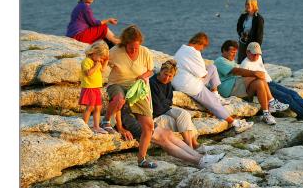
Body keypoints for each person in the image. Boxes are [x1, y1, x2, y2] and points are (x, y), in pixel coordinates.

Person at [171, 32, 254, 133]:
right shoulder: (194, 53)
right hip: (190, 85)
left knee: (212, 67)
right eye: (203, 47)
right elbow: (202, 74)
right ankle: (235, 123)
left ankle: (215, 94)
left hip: (178, 83)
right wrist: (205, 74)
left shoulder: (182, 49)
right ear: (201, 44)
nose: (202, 49)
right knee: (213, 103)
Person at [102, 25, 158, 168]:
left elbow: (151, 70)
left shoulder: (145, 52)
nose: (134, 50)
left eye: (136, 48)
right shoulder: (114, 52)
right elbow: (101, 63)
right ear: (125, 43)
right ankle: (106, 121)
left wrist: (142, 77)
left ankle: (142, 159)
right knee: (119, 99)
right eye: (131, 47)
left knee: (149, 125)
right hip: (117, 85)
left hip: (136, 88)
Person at [240, 42, 303, 123]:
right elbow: (248, 83)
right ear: (247, 52)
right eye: (254, 54)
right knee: (286, 97)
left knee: (293, 93)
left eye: (258, 53)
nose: (256, 56)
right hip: (263, 86)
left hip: (270, 82)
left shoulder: (258, 58)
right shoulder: (245, 64)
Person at [117, 104, 226, 169]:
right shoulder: (118, 87)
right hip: (131, 122)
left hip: (140, 117)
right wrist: (121, 128)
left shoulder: (136, 82)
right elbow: (115, 110)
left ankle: (200, 157)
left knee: (168, 133)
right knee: (164, 140)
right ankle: (199, 161)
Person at [214, 40, 289, 125]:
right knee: (257, 76)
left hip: (237, 85)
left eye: (235, 52)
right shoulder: (220, 61)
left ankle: (266, 113)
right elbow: (236, 71)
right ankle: (272, 102)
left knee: (260, 82)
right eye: (232, 52)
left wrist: (256, 74)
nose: (234, 55)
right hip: (228, 88)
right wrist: (254, 73)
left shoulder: (231, 61)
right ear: (224, 50)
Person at [150, 59, 215, 153]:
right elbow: (156, 107)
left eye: (170, 76)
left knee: (185, 114)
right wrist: (165, 103)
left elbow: (169, 101)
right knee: (180, 120)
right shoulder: (152, 83)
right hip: (156, 115)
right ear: (161, 71)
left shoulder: (168, 83)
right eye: (165, 74)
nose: (167, 78)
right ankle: (192, 147)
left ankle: (192, 146)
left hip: (166, 110)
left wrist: (164, 103)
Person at [79, 40, 112, 134]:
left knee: (98, 107)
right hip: (89, 88)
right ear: (94, 52)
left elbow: (102, 70)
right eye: (100, 57)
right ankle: (84, 126)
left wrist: (105, 61)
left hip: (96, 88)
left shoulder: (97, 61)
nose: (101, 60)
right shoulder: (86, 61)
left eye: (102, 58)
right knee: (90, 107)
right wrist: (96, 65)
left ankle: (96, 126)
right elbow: (88, 73)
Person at [236, 0, 264, 64]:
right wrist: (241, 34)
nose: (247, 6)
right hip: (243, 42)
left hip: (252, 44)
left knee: (253, 63)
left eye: (249, 4)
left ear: (254, 5)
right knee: (241, 62)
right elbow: (238, 27)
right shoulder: (243, 16)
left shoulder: (258, 18)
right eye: (246, 4)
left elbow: (259, 35)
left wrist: (257, 47)